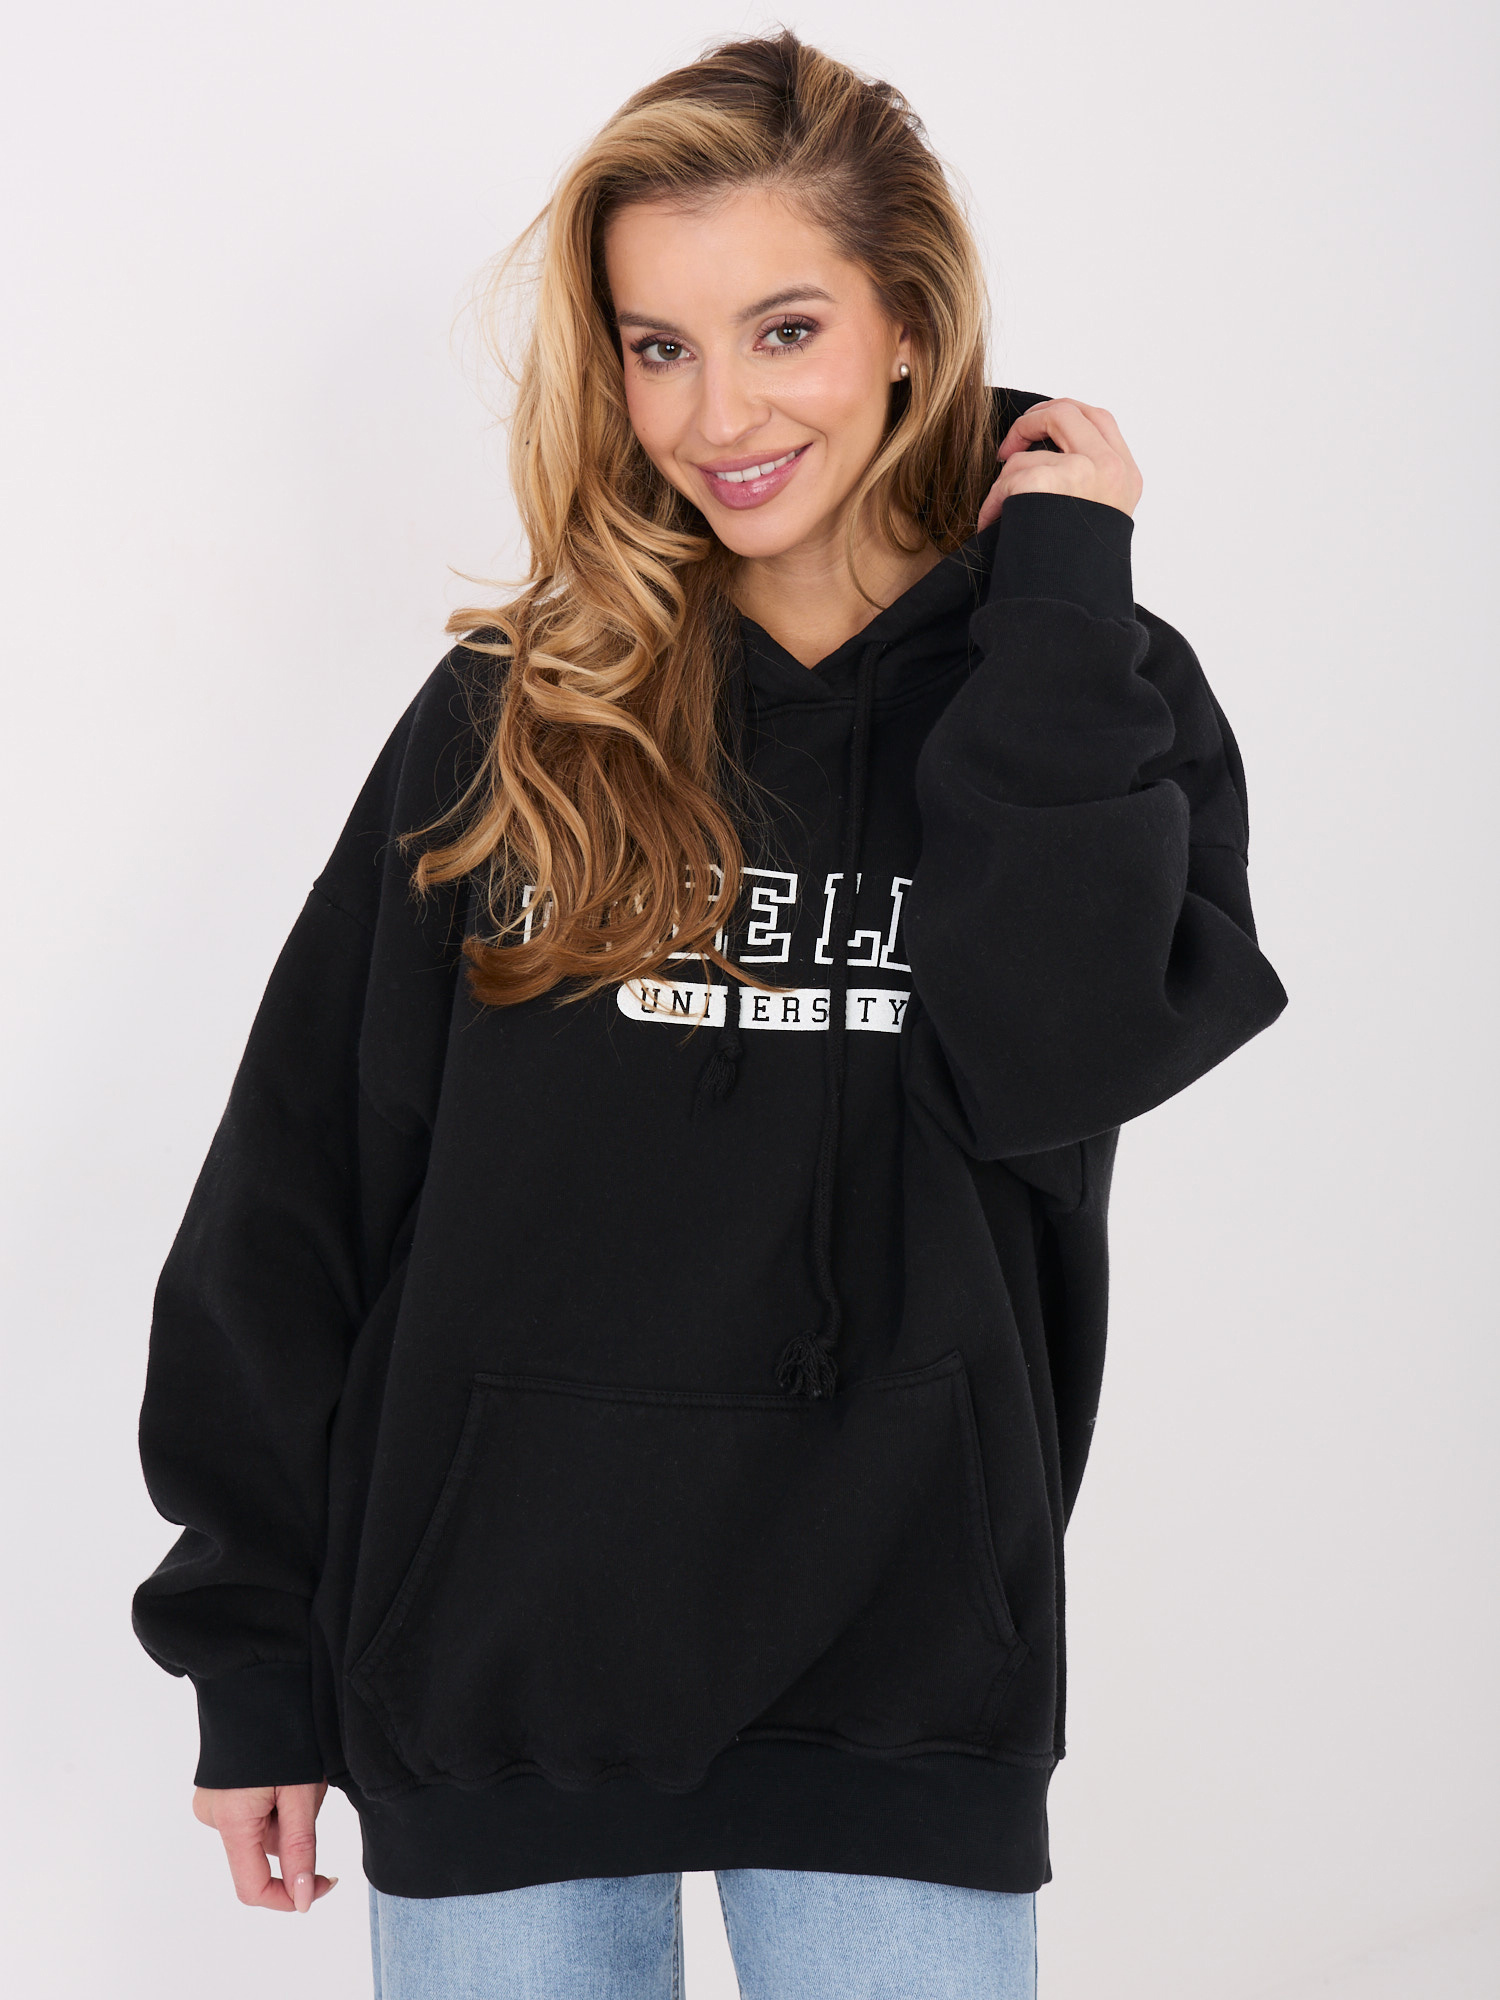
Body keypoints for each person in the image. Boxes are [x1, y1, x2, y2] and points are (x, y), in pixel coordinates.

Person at [133, 29, 1288, 1999]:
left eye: (784, 330)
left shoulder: (1082, 684)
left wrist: (1061, 587)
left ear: (911, 322)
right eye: (657, 346)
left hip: (903, 1675)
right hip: (486, 1669)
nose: (718, 412)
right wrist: (251, 1654)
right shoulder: (523, 713)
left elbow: (1062, 1058)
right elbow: (301, 1186)